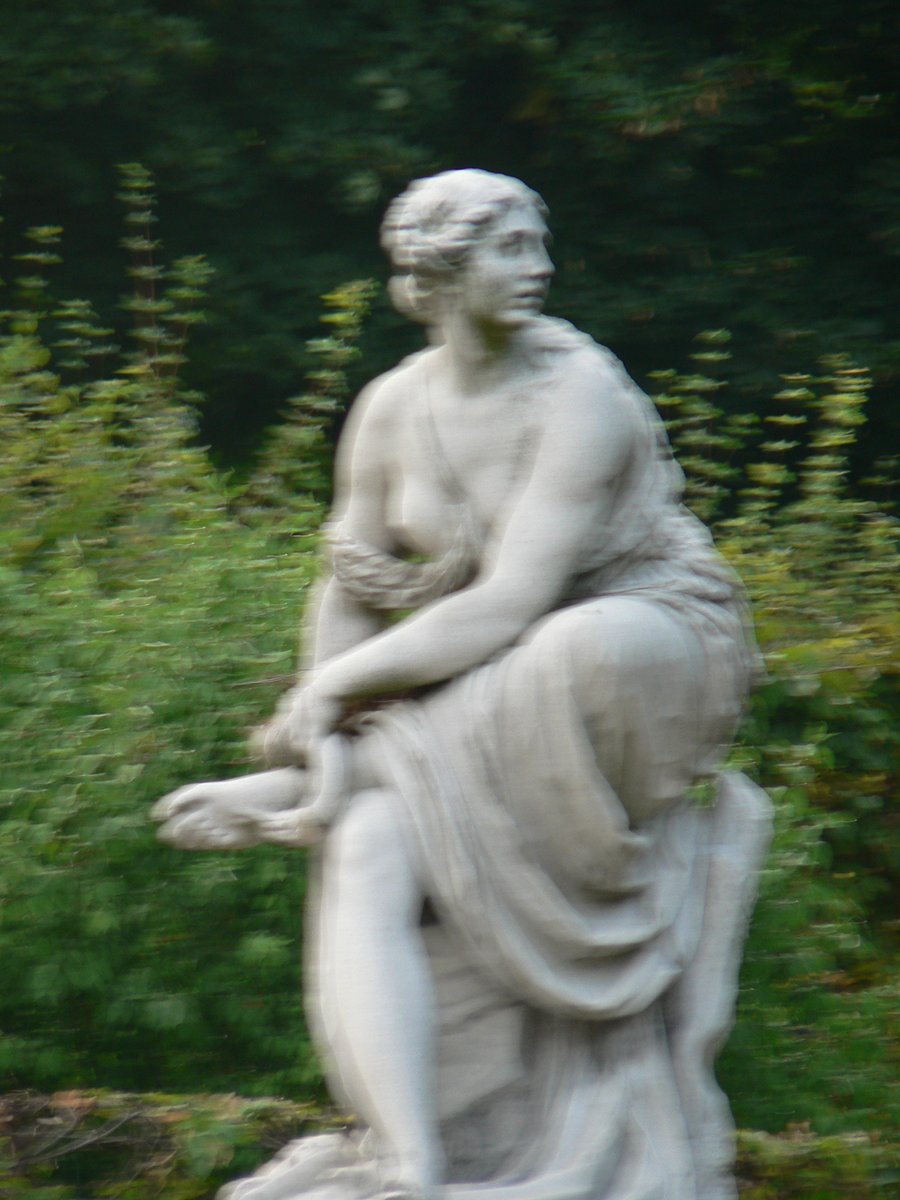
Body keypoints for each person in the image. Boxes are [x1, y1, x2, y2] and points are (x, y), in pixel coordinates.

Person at [155, 169, 771, 1200]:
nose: (541, 267)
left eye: (539, 244)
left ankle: (292, 795)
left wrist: (336, 700)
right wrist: (320, 710)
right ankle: (408, 1162)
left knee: (563, 648)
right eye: (511, 248)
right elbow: (351, 587)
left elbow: (511, 601)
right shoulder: (391, 408)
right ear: (440, 273)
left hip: (650, 644)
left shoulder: (581, 391)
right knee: (369, 843)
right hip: (495, 686)